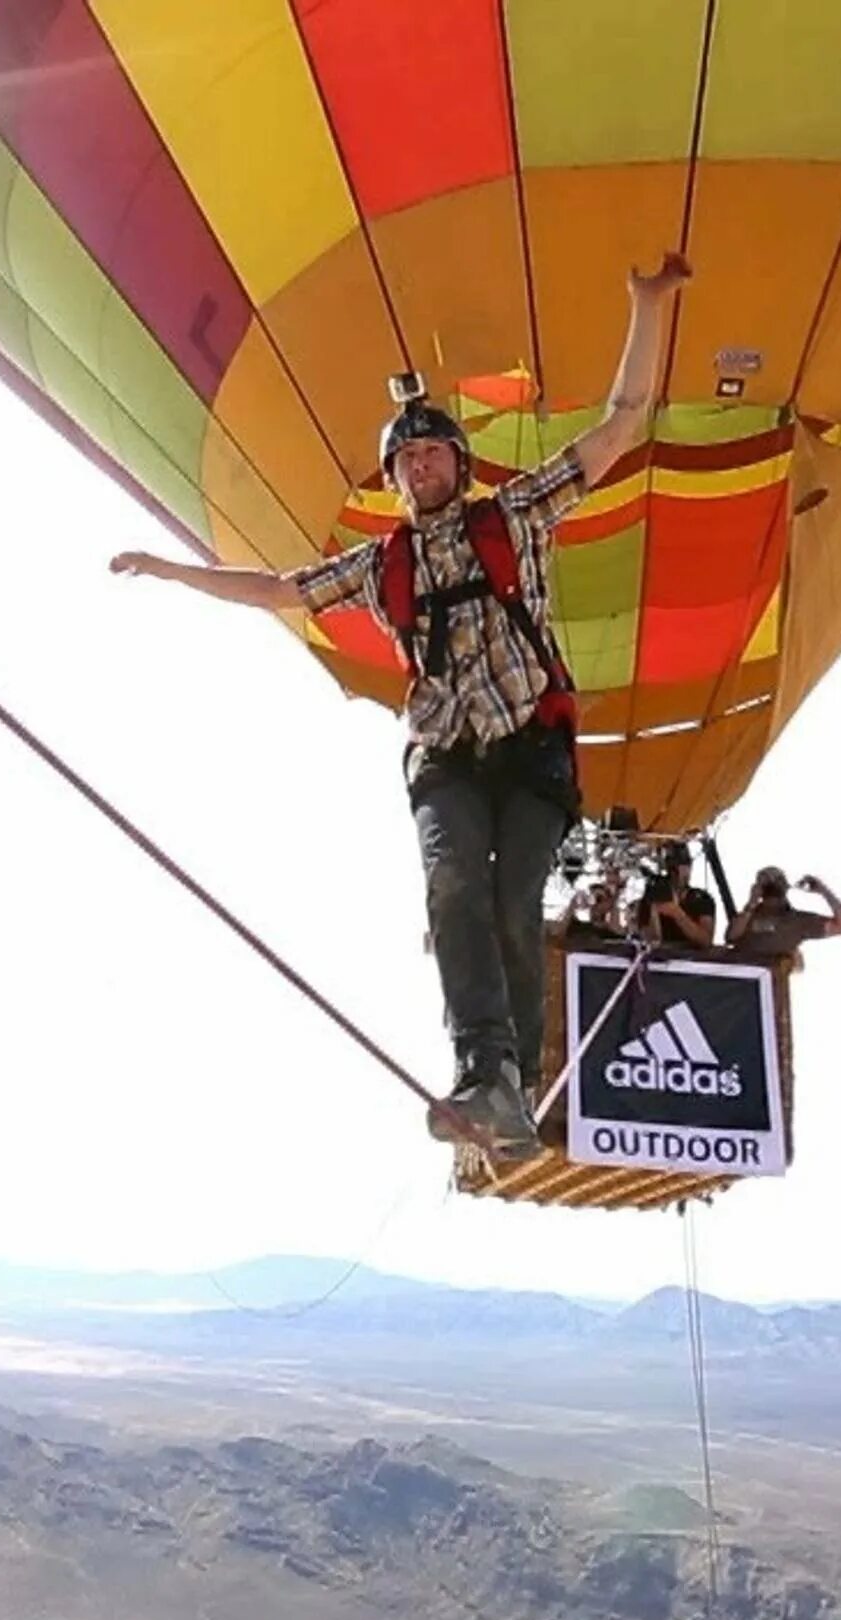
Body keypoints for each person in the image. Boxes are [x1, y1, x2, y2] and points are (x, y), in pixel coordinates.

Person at [109, 254, 693, 1163]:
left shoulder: (516, 513)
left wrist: (646, 309)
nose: (419, 464)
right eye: (405, 456)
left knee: (510, 900)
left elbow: (620, 426)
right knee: (453, 884)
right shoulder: (381, 563)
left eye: (431, 451)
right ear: (393, 476)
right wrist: (172, 569)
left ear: (458, 461)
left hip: (532, 748)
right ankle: (484, 1075)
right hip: (447, 757)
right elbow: (281, 587)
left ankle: (514, 1084)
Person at [727, 867, 841, 964]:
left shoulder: (799, 922)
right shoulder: (747, 916)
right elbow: (731, 937)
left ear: (786, 887)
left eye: (776, 881)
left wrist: (823, 890)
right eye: (766, 883)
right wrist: (751, 903)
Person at [634, 841, 716, 948]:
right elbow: (648, 939)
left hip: (692, 960)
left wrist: (677, 913)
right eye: (676, 867)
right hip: (662, 958)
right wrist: (653, 910)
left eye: (686, 865)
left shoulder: (702, 899)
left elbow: (705, 940)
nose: (682, 871)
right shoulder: (654, 895)